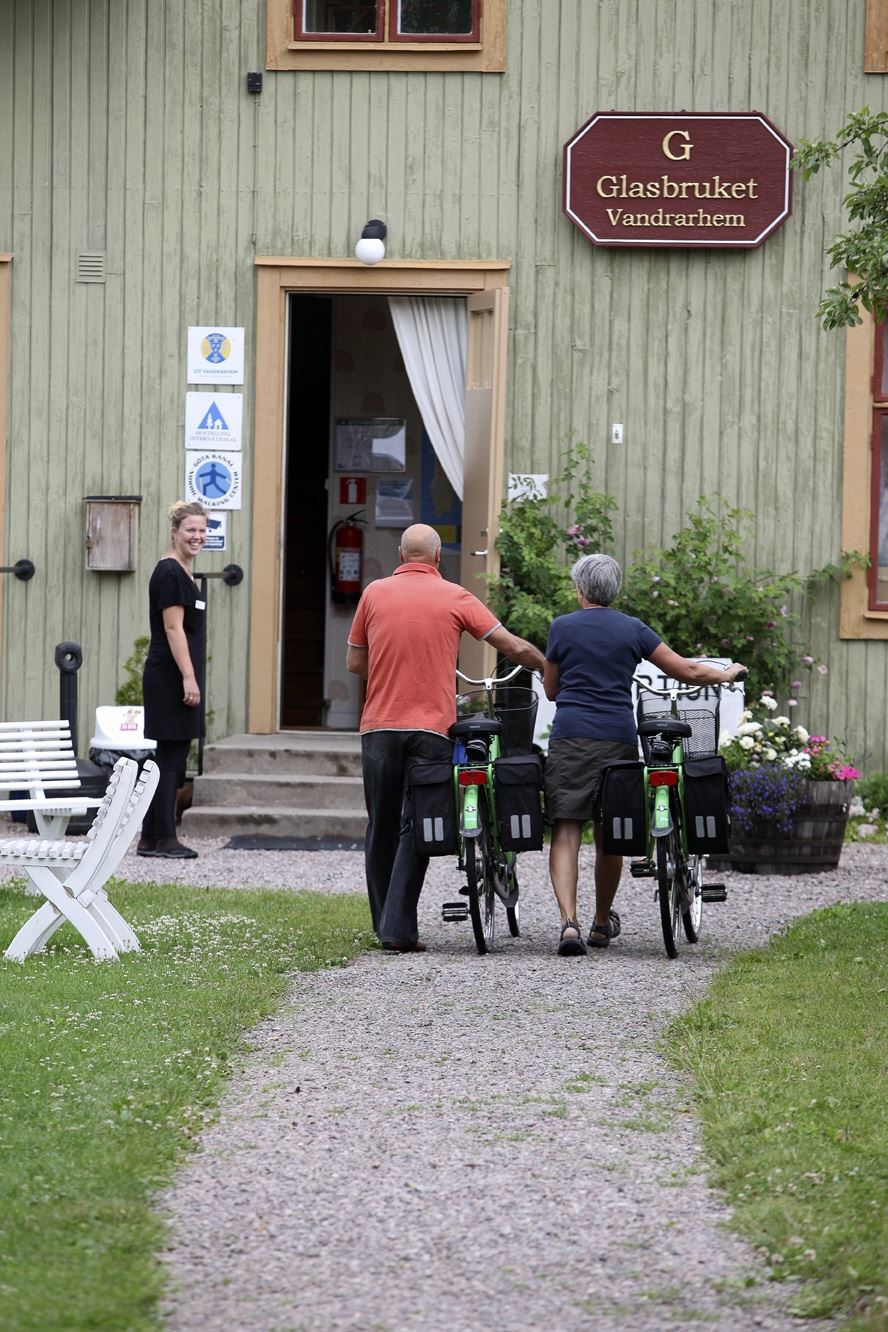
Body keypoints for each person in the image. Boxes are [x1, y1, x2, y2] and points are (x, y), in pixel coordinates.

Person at [346, 523, 546, 951]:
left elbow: (354, 662)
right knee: (417, 823)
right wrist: (546, 666)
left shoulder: (373, 594)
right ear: (437, 558)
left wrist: (390, 672)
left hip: (379, 726)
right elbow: (511, 647)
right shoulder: (456, 596)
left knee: (380, 824)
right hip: (431, 729)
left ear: (401, 556)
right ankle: (398, 930)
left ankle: (386, 923)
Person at [544, 553, 746, 957]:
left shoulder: (562, 628)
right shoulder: (632, 629)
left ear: (581, 588)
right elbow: (686, 671)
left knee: (567, 828)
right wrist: (725, 674)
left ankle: (569, 924)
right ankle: (602, 923)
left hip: (570, 739)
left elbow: (551, 690)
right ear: (614, 590)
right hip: (617, 740)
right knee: (609, 834)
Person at [137, 500, 208, 859]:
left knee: (172, 754)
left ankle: (151, 837)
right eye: (190, 530)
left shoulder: (184, 571)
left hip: (177, 675)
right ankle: (164, 837)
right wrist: (189, 677)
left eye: (201, 530)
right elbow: (172, 627)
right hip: (170, 677)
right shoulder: (169, 572)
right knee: (170, 756)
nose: (197, 536)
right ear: (175, 533)